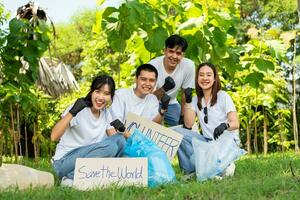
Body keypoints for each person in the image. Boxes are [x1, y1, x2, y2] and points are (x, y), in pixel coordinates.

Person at [51, 75, 126, 186]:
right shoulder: (78, 109)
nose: (101, 97)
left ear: (111, 97)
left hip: (85, 160)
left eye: (106, 94)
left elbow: (116, 140)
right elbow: (54, 137)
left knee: (120, 140)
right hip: (63, 163)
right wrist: (73, 112)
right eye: (98, 91)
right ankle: (70, 178)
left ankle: (101, 175)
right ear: (91, 92)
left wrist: (122, 131)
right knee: (111, 147)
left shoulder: (106, 113)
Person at [175, 62, 241, 178]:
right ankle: (191, 170)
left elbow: (235, 123)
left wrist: (224, 126)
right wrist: (188, 102)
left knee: (216, 168)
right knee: (178, 133)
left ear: (215, 78)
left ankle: (225, 166)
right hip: (207, 141)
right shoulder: (196, 99)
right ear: (197, 79)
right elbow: (188, 124)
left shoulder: (223, 96)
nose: (204, 78)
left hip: (226, 142)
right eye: (201, 75)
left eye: (209, 75)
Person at [149, 34, 195, 126]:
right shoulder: (152, 66)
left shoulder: (189, 66)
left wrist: (182, 116)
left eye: (178, 53)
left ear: (183, 55)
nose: (174, 56)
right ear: (165, 51)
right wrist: (164, 88)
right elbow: (149, 98)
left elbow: (185, 94)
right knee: (153, 128)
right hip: (152, 102)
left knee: (184, 127)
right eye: (171, 51)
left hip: (172, 103)